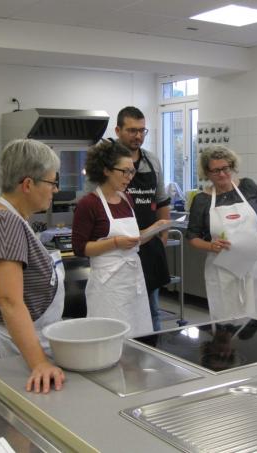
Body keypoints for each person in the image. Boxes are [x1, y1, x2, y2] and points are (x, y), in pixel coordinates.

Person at [0, 139, 66, 394]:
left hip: (17, 344)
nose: (55, 190)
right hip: (10, 350)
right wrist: (39, 364)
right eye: (51, 182)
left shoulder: (7, 218)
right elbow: (9, 301)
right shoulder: (6, 223)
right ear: (27, 184)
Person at [72, 139, 169, 337]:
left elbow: (132, 240)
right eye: (124, 171)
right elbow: (80, 248)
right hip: (107, 286)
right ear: (106, 170)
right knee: (109, 337)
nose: (129, 177)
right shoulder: (89, 204)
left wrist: (153, 229)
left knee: (137, 333)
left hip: (133, 281)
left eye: (131, 171)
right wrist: (115, 243)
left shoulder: (126, 199)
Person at [186, 145, 257, 320]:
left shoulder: (248, 187)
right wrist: (211, 245)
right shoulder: (202, 200)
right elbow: (192, 238)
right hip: (222, 269)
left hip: (252, 264)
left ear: (231, 166)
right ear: (207, 173)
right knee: (227, 320)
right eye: (216, 171)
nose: (222, 174)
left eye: (225, 168)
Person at [114, 107, 171, 331]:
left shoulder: (152, 161)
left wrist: (162, 238)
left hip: (149, 248)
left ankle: (153, 360)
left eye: (142, 130)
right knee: (122, 311)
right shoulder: (106, 163)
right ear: (118, 130)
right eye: (131, 130)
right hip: (118, 248)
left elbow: (162, 201)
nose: (138, 136)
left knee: (152, 310)